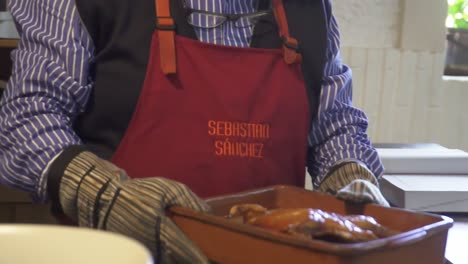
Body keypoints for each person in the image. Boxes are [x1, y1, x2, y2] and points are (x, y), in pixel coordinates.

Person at [0, 0, 389, 262]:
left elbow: (333, 120)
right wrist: (102, 192)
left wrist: (351, 173)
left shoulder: (309, 8)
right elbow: (26, 115)